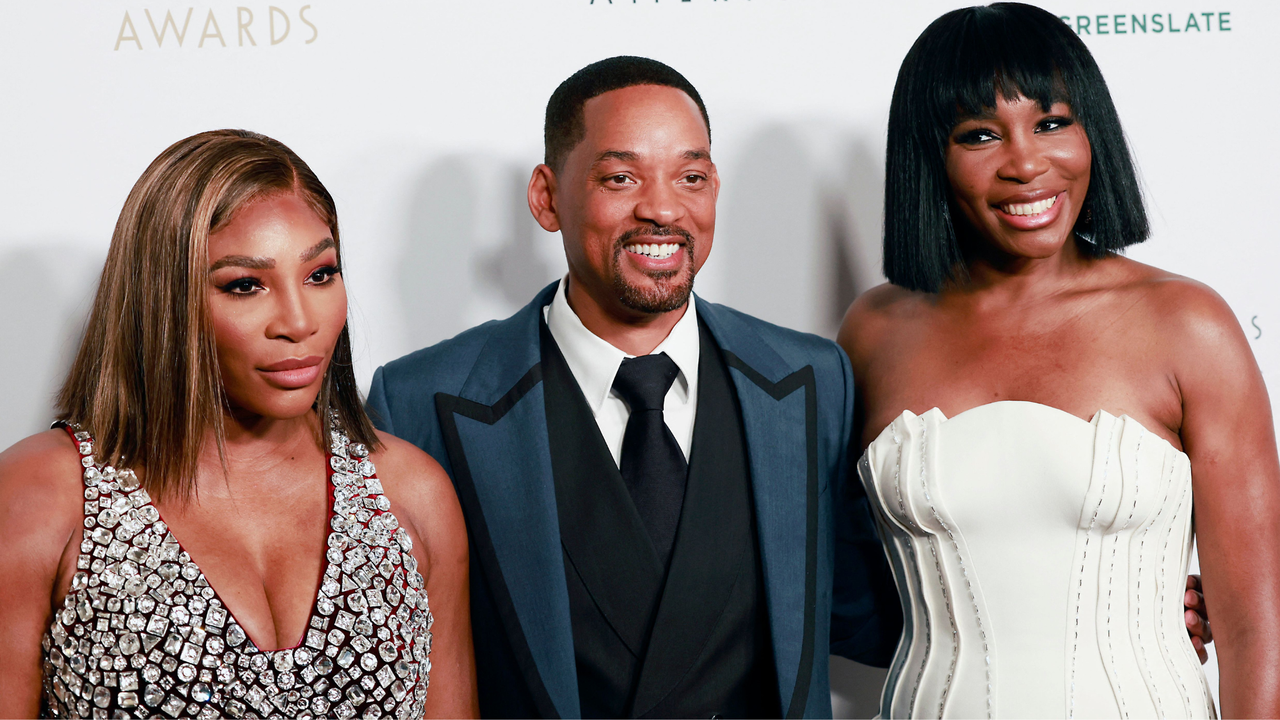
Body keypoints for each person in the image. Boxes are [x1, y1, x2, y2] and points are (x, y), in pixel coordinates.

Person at [366, 56, 902, 718]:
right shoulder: (422, 401)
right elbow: (394, 670)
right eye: (620, 177)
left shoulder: (810, 381)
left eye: (692, 177)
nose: (662, 208)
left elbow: (871, 616)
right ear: (546, 197)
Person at [838, 4, 1280, 717]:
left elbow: (1261, 628)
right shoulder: (873, 331)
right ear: (932, 157)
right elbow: (815, 571)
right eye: (979, 135)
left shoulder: (1188, 325)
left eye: (1051, 123)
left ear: (1091, 132)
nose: (1026, 164)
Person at [0, 130, 478, 718]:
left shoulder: (411, 492)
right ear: (164, 300)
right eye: (245, 285)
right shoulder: (42, 495)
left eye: (320, 274)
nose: (298, 321)